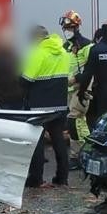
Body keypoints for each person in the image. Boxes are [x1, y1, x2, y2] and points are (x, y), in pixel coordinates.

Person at [22, 25, 72, 187]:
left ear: (37, 38)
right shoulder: (64, 53)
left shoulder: (38, 53)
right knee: (59, 140)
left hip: (39, 107)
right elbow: (68, 78)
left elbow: (26, 79)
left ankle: (36, 178)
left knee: (38, 142)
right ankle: (62, 177)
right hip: (59, 105)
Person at [59, 11, 93, 168]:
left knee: (75, 121)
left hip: (82, 89)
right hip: (69, 89)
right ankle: (84, 154)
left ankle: (80, 155)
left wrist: (78, 80)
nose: (67, 31)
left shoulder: (87, 46)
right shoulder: (66, 46)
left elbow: (91, 69)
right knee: (77, 122)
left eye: (70, 27)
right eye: (65, 28)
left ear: (77, 27)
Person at [0, 28, 24, 110]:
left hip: (18, 101)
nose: (10, 42)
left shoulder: (16, 57)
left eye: (11, 40)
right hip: (2, 103)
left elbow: (22, 75)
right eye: (7, 40)